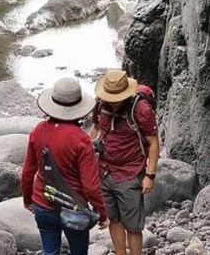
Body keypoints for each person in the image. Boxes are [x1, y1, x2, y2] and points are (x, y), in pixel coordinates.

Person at [21, 77, 109, 255]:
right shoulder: (81, 139)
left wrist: (28, 200)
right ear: (79, 108)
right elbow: (90, 187)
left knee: (50, 252)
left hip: (42, 203)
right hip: (73, 207)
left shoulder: (39, 130)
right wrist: (102, 214)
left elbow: (27, 172)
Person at [90, 69, 160, 255]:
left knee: (133, 225)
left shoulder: (140, 109)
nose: (112, 101)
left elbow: (153, 143)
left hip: (130, 173)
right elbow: (96, 128)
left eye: (116, 97)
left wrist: (150, 175)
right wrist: (86, 153)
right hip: (104, 170)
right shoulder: (101, 103)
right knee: (113, 219)